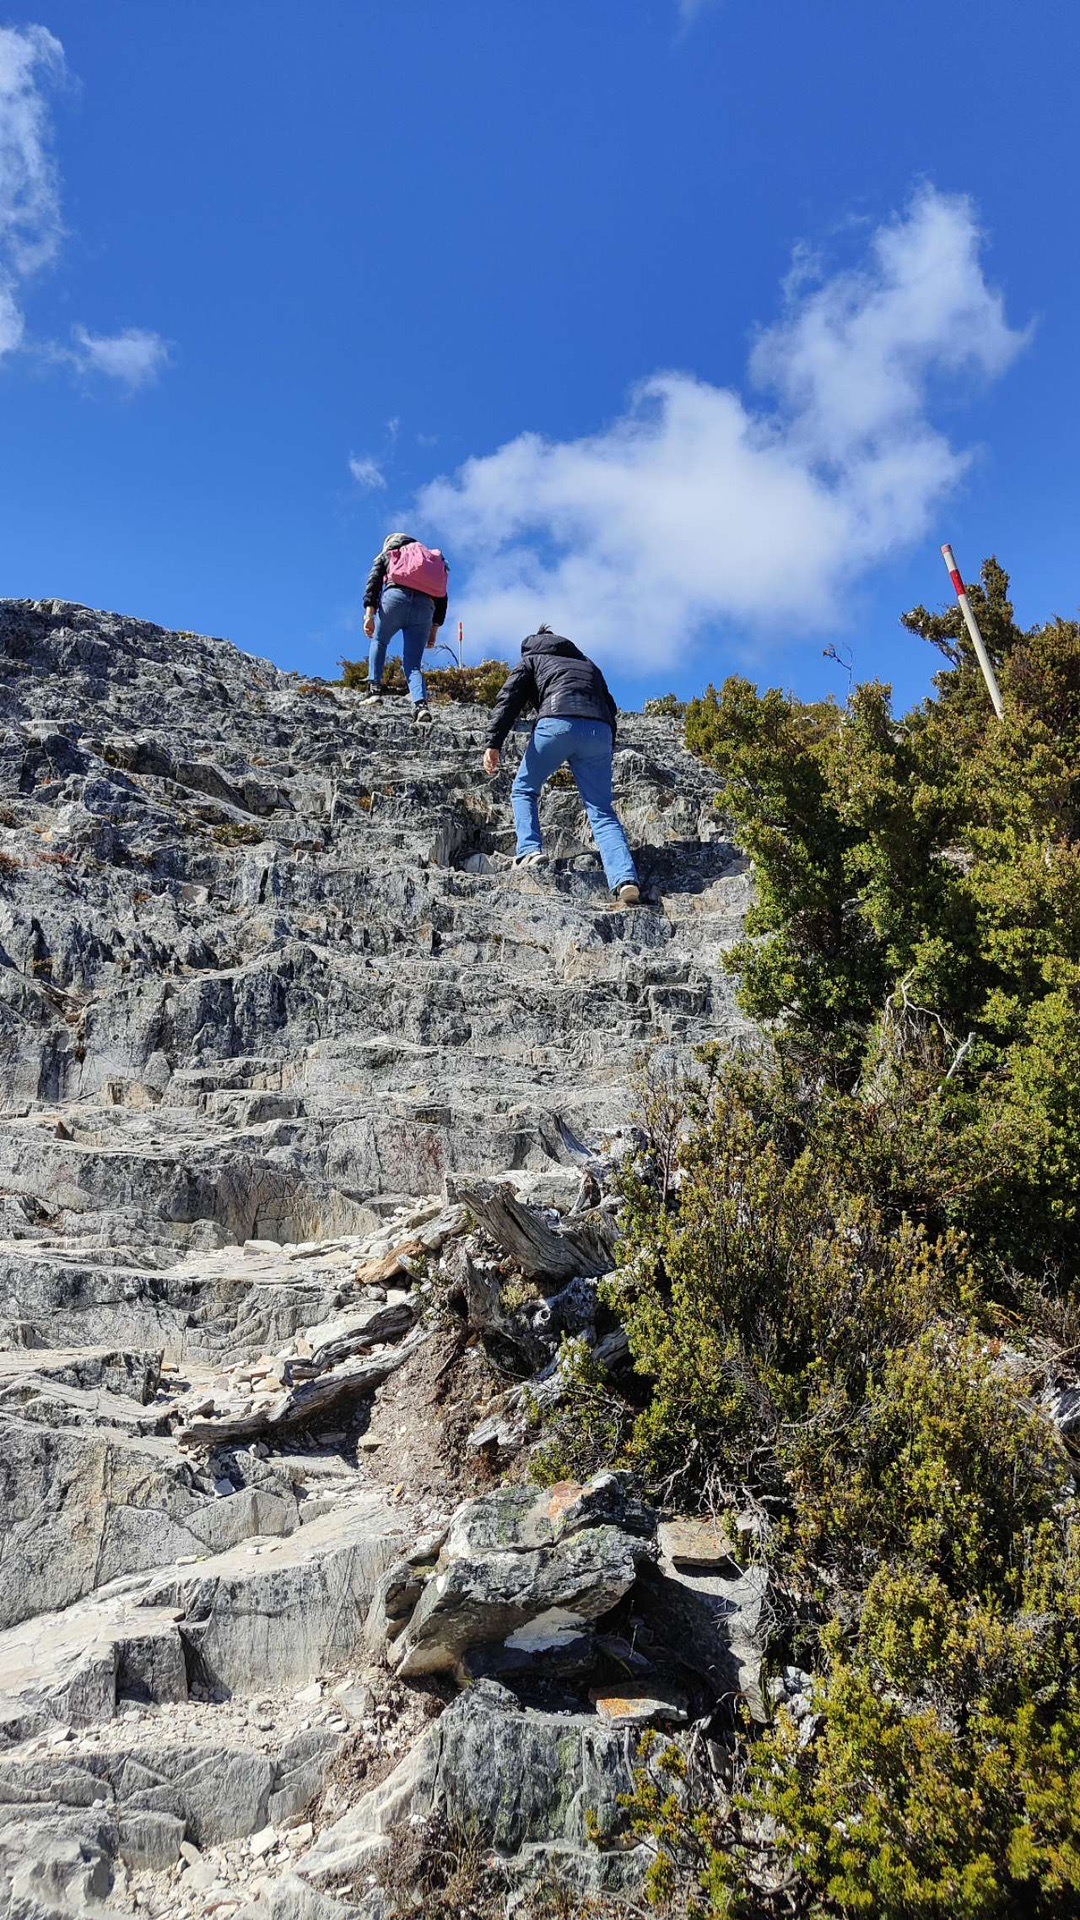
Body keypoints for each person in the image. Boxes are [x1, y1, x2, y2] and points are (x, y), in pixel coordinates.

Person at [482, 626, 640, 907]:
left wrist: (493, 743)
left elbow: (509, 699)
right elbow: (610, 706)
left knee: (524, 789)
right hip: (598, 731)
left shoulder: (532, 658)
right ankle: (625, 879)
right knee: (601, 810)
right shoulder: (587, 663)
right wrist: (606, 742)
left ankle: (529, 851)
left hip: (557, 722)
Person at [361, 532, 449, 726]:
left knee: (380, 641)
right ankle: (421, 706)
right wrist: (433, 631)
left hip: (395, 598)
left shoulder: (392, 553)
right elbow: (442, 597)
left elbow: (374, 584)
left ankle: (374, 690)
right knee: (413, 664)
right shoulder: (432, 559)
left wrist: (369, 615)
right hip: (425, 608)